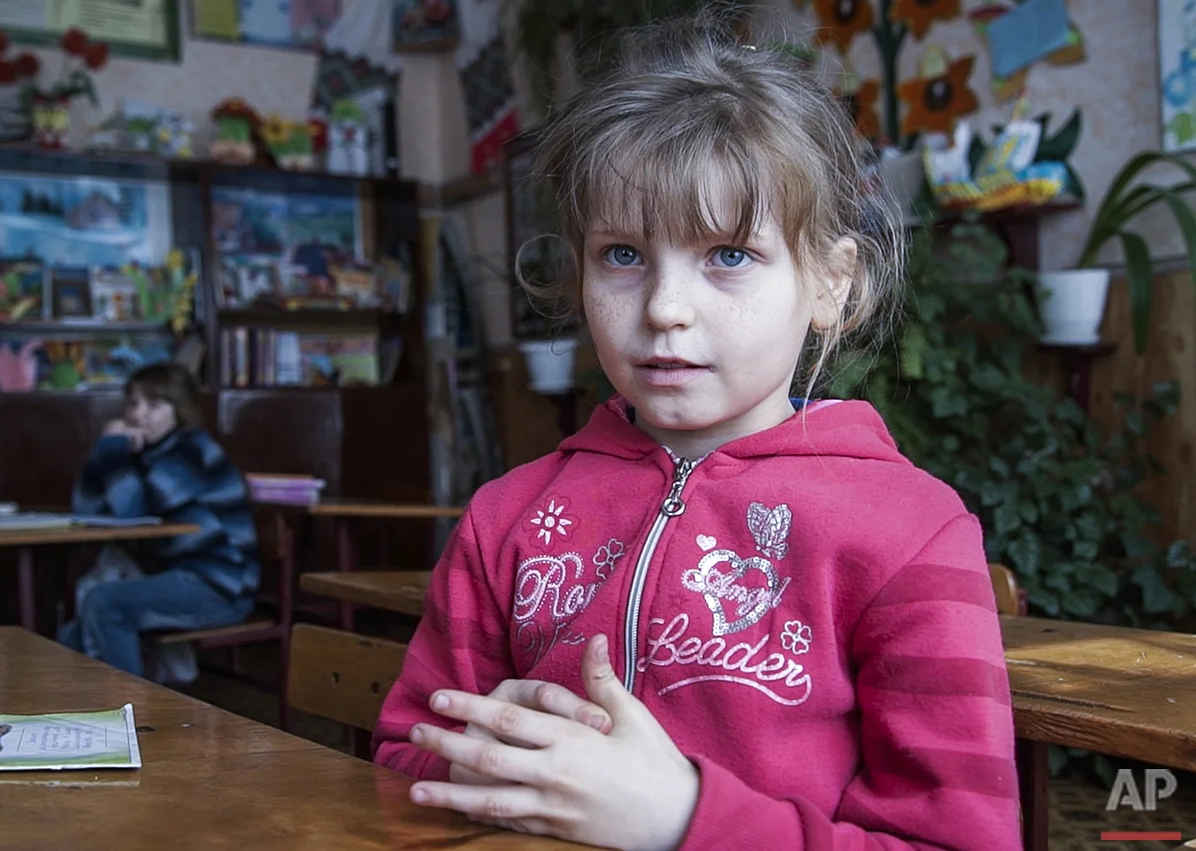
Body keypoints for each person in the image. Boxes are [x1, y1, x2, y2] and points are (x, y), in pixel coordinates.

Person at [371, 11, 1021, 851]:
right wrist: (483, 766)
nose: (664, 310)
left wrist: (682, 819)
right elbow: (398, 754)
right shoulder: (508, 517)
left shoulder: (910, 534)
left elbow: (961, 840)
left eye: (728, 255)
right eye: (623, 255)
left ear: (830, 284)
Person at [57, 362, 259, 680]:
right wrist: (102, 457)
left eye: (154, 405)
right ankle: (75, 720)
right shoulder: (142, 454)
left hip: (218, 586)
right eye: (133, 404)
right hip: (176, 576)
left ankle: (132, 715)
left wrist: (113, 452)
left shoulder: (192, 450)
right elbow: (86, 509)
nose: (139, 415)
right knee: (71, 636)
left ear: (178, 410)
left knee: (105, 603)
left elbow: (132, 514)